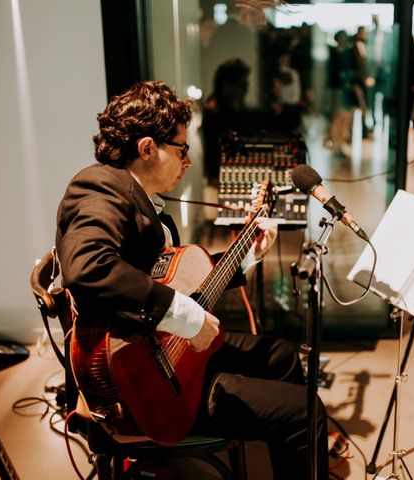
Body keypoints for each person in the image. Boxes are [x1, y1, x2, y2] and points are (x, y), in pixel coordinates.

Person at [55, 81, 329, 478]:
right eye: (182, 150)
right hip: (144, 384)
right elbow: (89, 267)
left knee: (283, 355)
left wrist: (248, 254)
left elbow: (174, 280)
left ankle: (285, 457)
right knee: (308, 413)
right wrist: (185, 316)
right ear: (147, 148)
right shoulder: (98, 189)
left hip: (164, 349)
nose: (187, 162)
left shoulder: (134, 194)